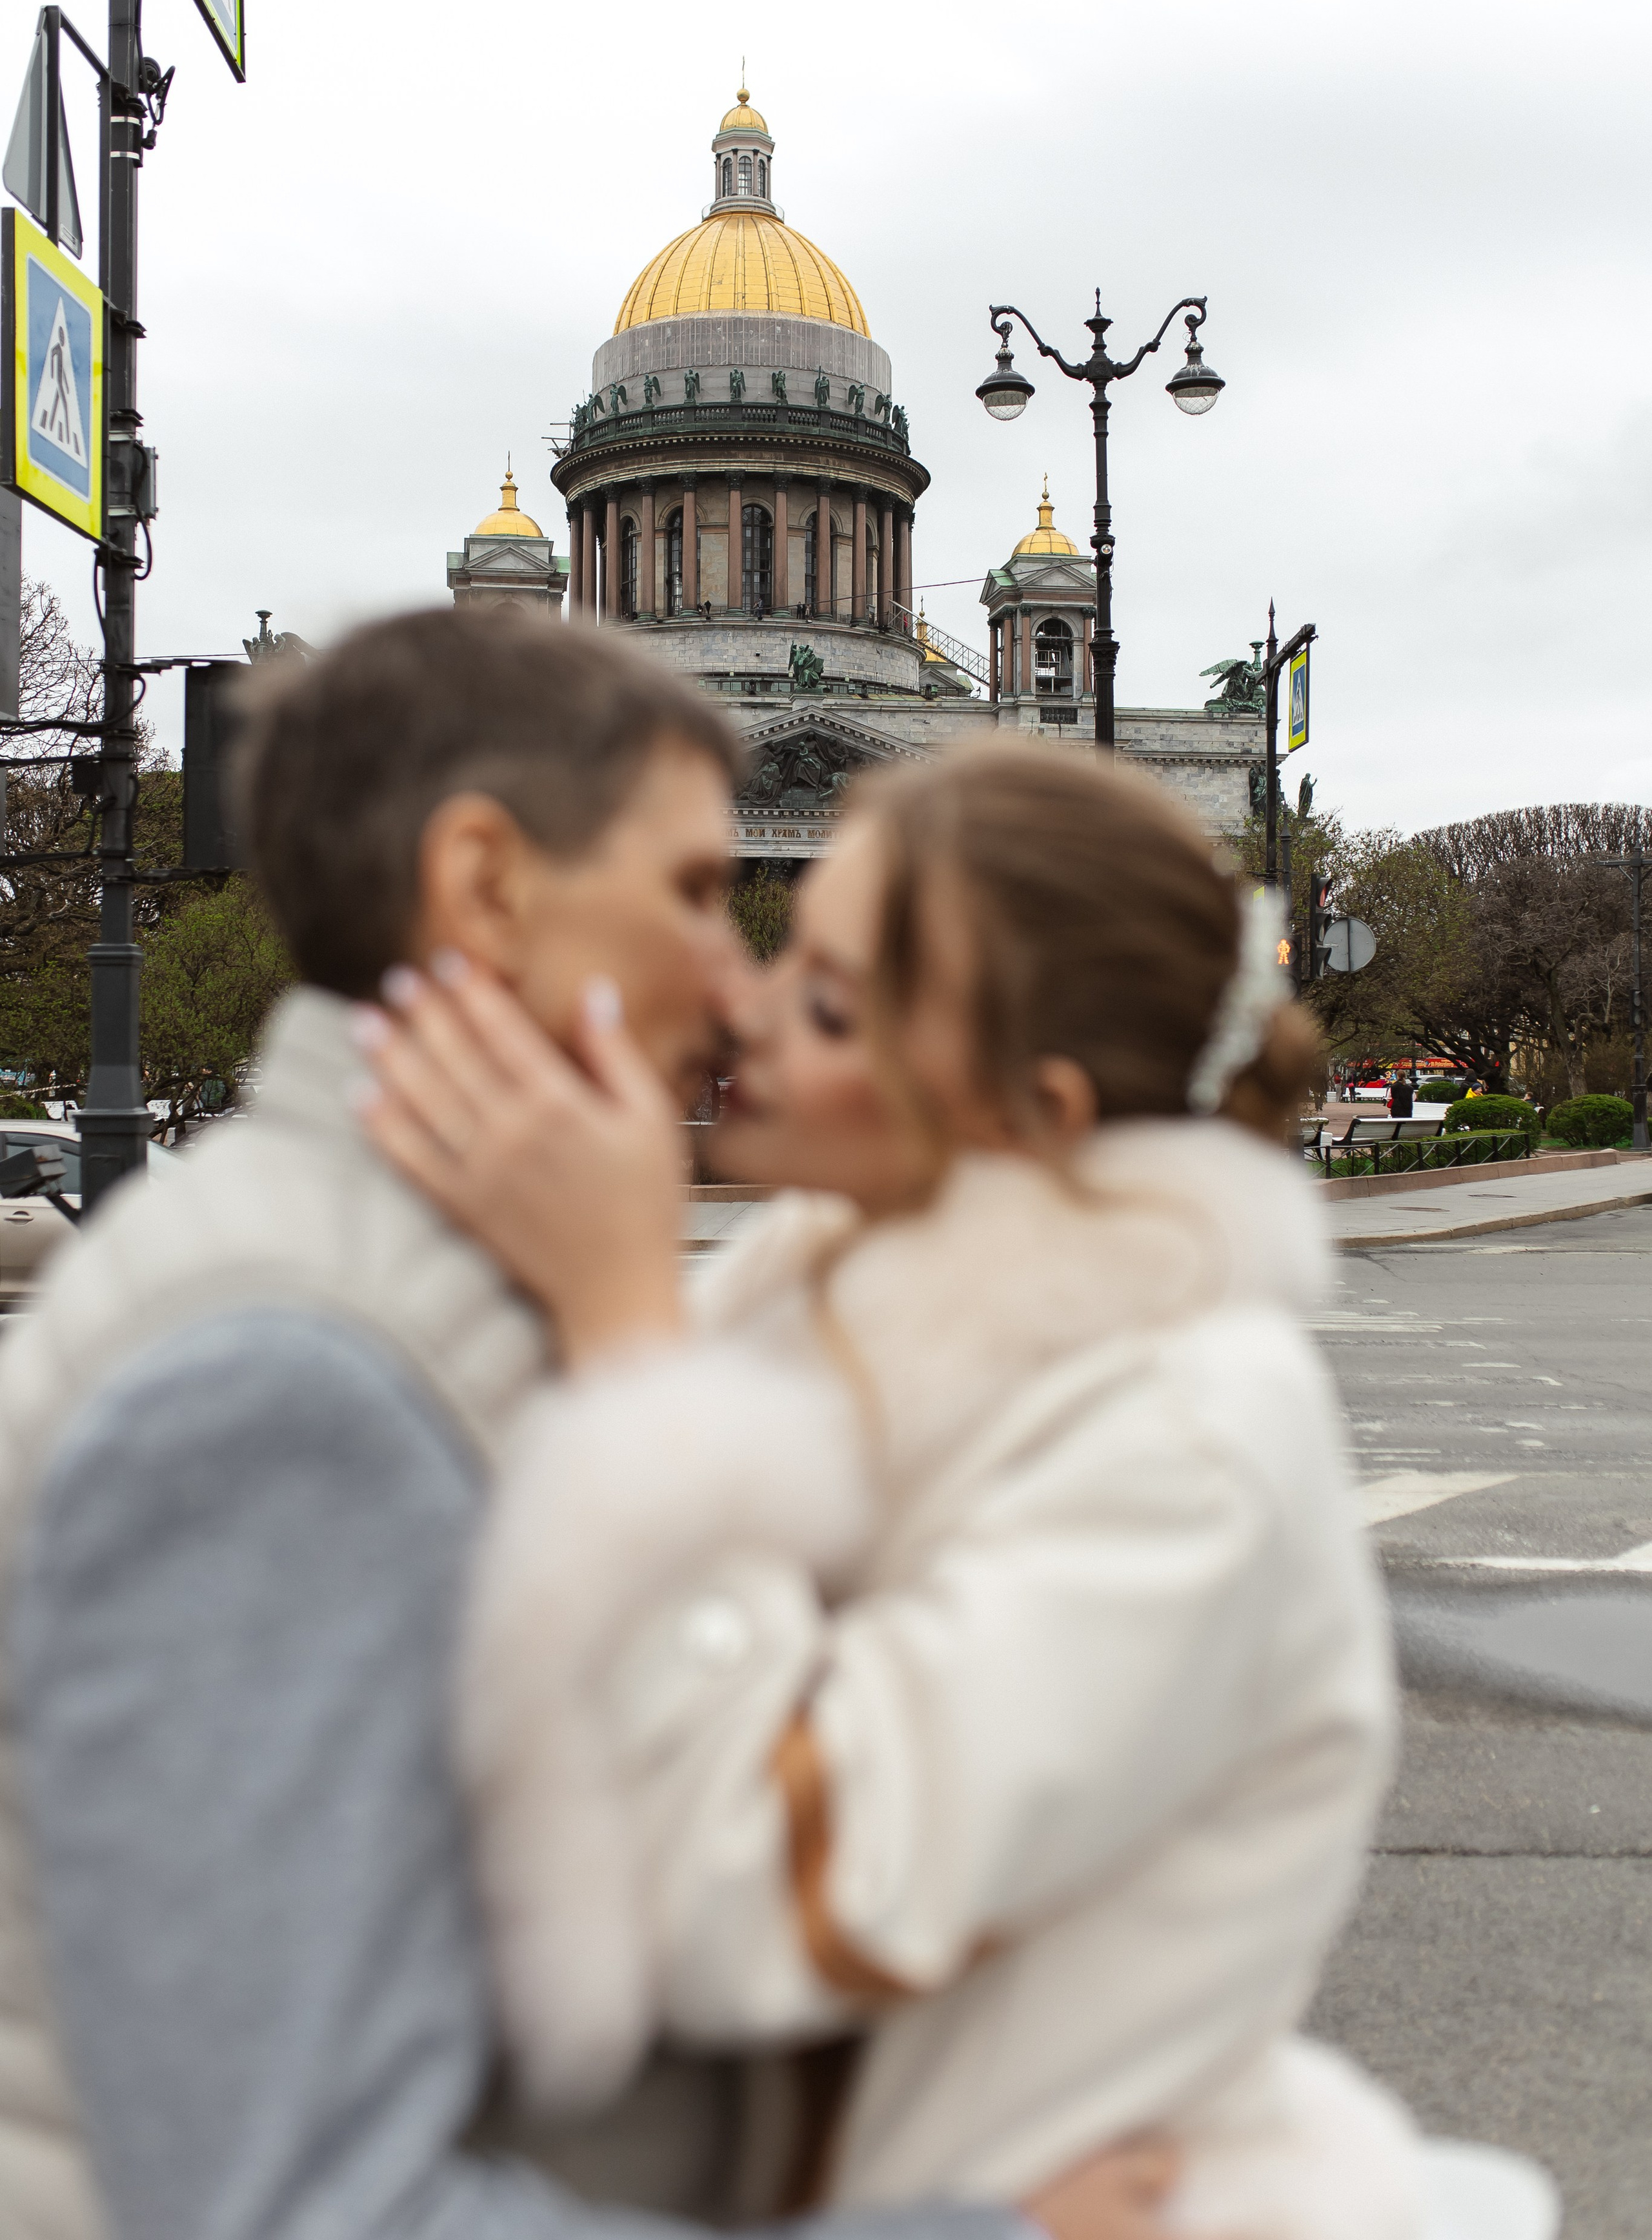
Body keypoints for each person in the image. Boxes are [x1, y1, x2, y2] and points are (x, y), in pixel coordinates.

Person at [0, 612, 1165, 2240]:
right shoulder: (279, 1383)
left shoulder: (425, 1267)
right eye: (692, 893)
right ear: (486, 888)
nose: (739, 975)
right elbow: (299, 2206)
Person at [352, 743, 1424, 2240]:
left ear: (1024, 1112)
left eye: (833, 1002)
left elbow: (771, 1888)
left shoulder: (1190, 1436)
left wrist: (622, 1335)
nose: (747, 1001)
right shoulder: (827, 1297)